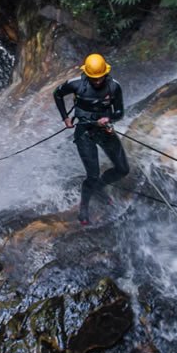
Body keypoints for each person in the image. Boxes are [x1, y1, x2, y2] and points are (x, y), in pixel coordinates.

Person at [54, 53, 130, 225]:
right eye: (93, 78)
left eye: (100, 77)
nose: (97, 81)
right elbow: (57, 94)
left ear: (106, 73)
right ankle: (84, 209)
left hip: (105, 131)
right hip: (84, 133)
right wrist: (65, 117)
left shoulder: (114, 86)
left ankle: (99, 188)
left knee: (123, 169)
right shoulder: (76, 84)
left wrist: (109, 119)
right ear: (87, 74)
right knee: (93, 175)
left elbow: (119, 111)